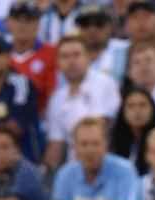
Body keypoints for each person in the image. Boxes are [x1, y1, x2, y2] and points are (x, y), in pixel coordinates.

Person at [43, 36, 121, 171]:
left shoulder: (104, 83)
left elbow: (99, 128)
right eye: (65, 56)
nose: (71, 61)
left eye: (76, 55)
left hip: (106, 164)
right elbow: (56, 144)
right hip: (74, 169)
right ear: (58, 63)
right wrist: (45, 171)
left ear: (88, 58)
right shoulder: (57, 98)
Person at [51, 116, 139, 200]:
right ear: (74, 147)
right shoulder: (65, 174)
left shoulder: (125, 171)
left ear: (106, 145)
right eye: (84, 144)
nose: (90, 150)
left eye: (95, 143)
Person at [7, 2, 58, 111]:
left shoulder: (51, 53)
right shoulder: (0, 53)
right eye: (17, 19)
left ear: (38, 23)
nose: (22, 25)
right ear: (8, 23)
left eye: (28, 20)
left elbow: (52, 96)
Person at [109, 87, 155, 175]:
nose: (137, 111)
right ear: (122, 111)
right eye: (131, 106)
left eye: (142, 105)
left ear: (152, 109)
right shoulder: (112, 143)